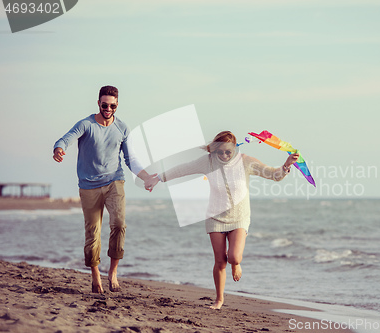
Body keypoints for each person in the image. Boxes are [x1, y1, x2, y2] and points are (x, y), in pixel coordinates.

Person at [145, 131, 299, 309]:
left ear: (235, 148)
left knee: (234, 257)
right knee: (220, 261)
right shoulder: (208, 161)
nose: (224, 155)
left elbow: (273, 175)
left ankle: (236, 264)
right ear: (214, 150)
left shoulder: (245, 161)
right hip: (215, 217)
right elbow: (183, 169)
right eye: (220, 152)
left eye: (228, 152)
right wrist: (158, 178)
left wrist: (287, 165)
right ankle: (219, 300)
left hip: (239, 217)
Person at [53, 85, 156, 294]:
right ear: (98, 103)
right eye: (104, 104)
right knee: (93, 232)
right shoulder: (86, 124)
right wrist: (59, 148)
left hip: (114, 181)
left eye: (112, 105)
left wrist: (145, 177)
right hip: (88, 185)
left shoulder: (122, 128)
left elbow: (130, 159)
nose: (108, 108)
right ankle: (95, 275)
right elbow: (66, 138)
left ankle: (113, 273)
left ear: (117, 105)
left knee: (119, 223)